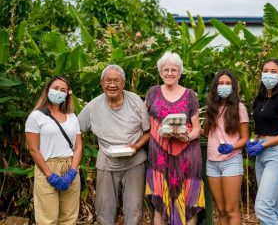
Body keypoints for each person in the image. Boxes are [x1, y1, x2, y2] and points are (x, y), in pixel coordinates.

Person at [77, 65, 150, 225]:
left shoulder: (135, 101)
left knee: (134, 209)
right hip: (106, 162)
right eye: (107, 80)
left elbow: (148, 131)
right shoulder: (93, 106)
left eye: (116, 80)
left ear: (123, 83)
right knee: (104, 209)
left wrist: (136, 147)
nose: (112, 84)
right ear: (102, 83)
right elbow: (76, 129)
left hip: (135, 162)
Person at [145, 51, 205, 225]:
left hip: (187, 156)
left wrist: (186, 137)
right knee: (160, 204)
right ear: (160, 72)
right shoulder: (152, 93)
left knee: (188, 202)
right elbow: (143, 122)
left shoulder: (190, 95)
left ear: (180, 72)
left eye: (174, 70)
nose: (169, 73)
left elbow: (197, 128)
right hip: (159, 157)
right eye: (166, 70)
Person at [25, 75, 82, 225]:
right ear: (48, 89)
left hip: (71, 167)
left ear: (68, 94)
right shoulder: (36, 116)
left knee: (69, 218)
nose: (59, 92)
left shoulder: (71, 116)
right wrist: (50, 175)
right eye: (55, 88)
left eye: (63, 90)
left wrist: (73, 171)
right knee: (47, 219)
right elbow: (33, 149)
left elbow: (78, 146)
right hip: (47, 168)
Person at [246, 58, 278, 225]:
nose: (268, 74)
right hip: (261, 155)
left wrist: (264, 144)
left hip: (277, 154)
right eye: (265, 71)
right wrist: (254, 141)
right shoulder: (259, 99)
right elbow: (263, 127)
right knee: (273, 206)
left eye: (273, 72)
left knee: (263, 207)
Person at [203, 69, 249, 225]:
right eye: (221, 83)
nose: (224, 86)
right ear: (215, 87)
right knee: (221, 210)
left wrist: (232, 147)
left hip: (231, 161)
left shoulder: (239, 108)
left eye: (228, 83)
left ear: (233, 87)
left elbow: (245, 138)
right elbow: (205, 132)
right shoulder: (212, 108)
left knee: (231, 209)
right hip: (212, 162)